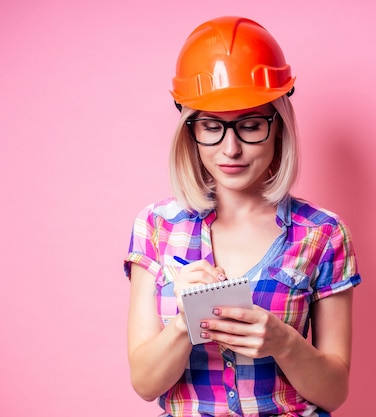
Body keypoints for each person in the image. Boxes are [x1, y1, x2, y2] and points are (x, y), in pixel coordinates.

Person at [124, 16, 362, 417]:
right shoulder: (156, 226)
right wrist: (185, 323)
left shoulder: (323, 233)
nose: (230, 148)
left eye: (251, 126)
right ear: (190, 133)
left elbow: (334, 392)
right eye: (212, 127)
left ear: (279, 129)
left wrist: (283, 343)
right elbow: (145, 385)